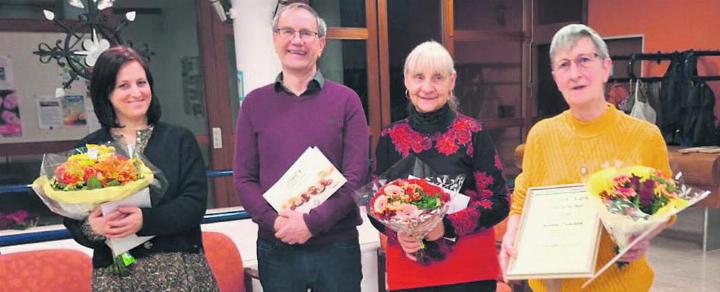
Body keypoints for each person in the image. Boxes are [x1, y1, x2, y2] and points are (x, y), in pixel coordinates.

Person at [499, 24, 672, 291]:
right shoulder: (541, 135)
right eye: (564, 65)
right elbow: (523, 197)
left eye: (584, 60)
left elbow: (663, 210)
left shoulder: (644, 136)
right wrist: (512, 233)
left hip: (619, 284)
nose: (575, 73)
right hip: (551, 285)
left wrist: (643, 234)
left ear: (606, 67)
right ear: (555, 77)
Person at [233, 3, 369, 292]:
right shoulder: (254, 105)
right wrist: (276, 223)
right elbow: (244, 179)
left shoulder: (347, 101)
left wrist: (311, 223)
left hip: (337, 246)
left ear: (321, 43)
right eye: (288, 31)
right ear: (275, 40)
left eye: (306, 33)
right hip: (277, 245)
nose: (297, 40)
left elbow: (356, 176)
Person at [63, 46, 218, 291]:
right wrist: (93, 228)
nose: (136, 92)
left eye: (141, 83)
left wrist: (144, 220)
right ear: (106, 93)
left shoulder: (179, 139)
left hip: (179, 273)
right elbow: (73, 218)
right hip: (118, 277)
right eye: (124, 85)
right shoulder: (88, 148)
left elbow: (193, 205)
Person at [371, 40, 509, 292]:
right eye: (419, 77)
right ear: (406, 80)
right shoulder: (389, 138)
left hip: (469, 273)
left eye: (437, 78)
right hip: (410, 274)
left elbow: (500, 201)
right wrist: (399, 233)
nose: (427, 87)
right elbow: (376, 208)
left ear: (452, 81)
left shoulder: (472, 133)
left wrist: (445, 226)